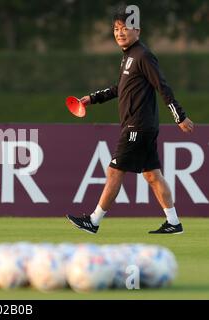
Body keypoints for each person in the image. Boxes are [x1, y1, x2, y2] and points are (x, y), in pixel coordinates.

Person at [66, 11, 194, 234]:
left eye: (125, 28)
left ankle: (94, 221)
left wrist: (179, 116)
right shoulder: (128, 56)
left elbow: (162, 86)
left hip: (138, 126)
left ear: (138, 31)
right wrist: (92, 98)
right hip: (141, 125)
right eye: (116, 29)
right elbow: (119, 88)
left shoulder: (143, 55)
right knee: (152, 175)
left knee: (114, 171)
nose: (120, 33)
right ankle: (174, 222)